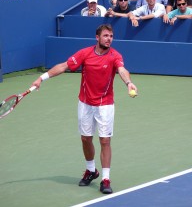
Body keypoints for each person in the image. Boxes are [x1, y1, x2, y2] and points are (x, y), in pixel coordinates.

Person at [31, 24, 138, 195]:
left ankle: (105, 179)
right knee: (86, 139)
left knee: (105, 141)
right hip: (85, 104)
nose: (109, 39)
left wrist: (128, 83)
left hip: (105, 105)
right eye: (105, 36)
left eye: (111, 36)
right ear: (97, 37)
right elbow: (64, 66)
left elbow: (122, 70)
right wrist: (41, 78)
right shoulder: (85, 53)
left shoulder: (115, 56)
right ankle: (91, 170)